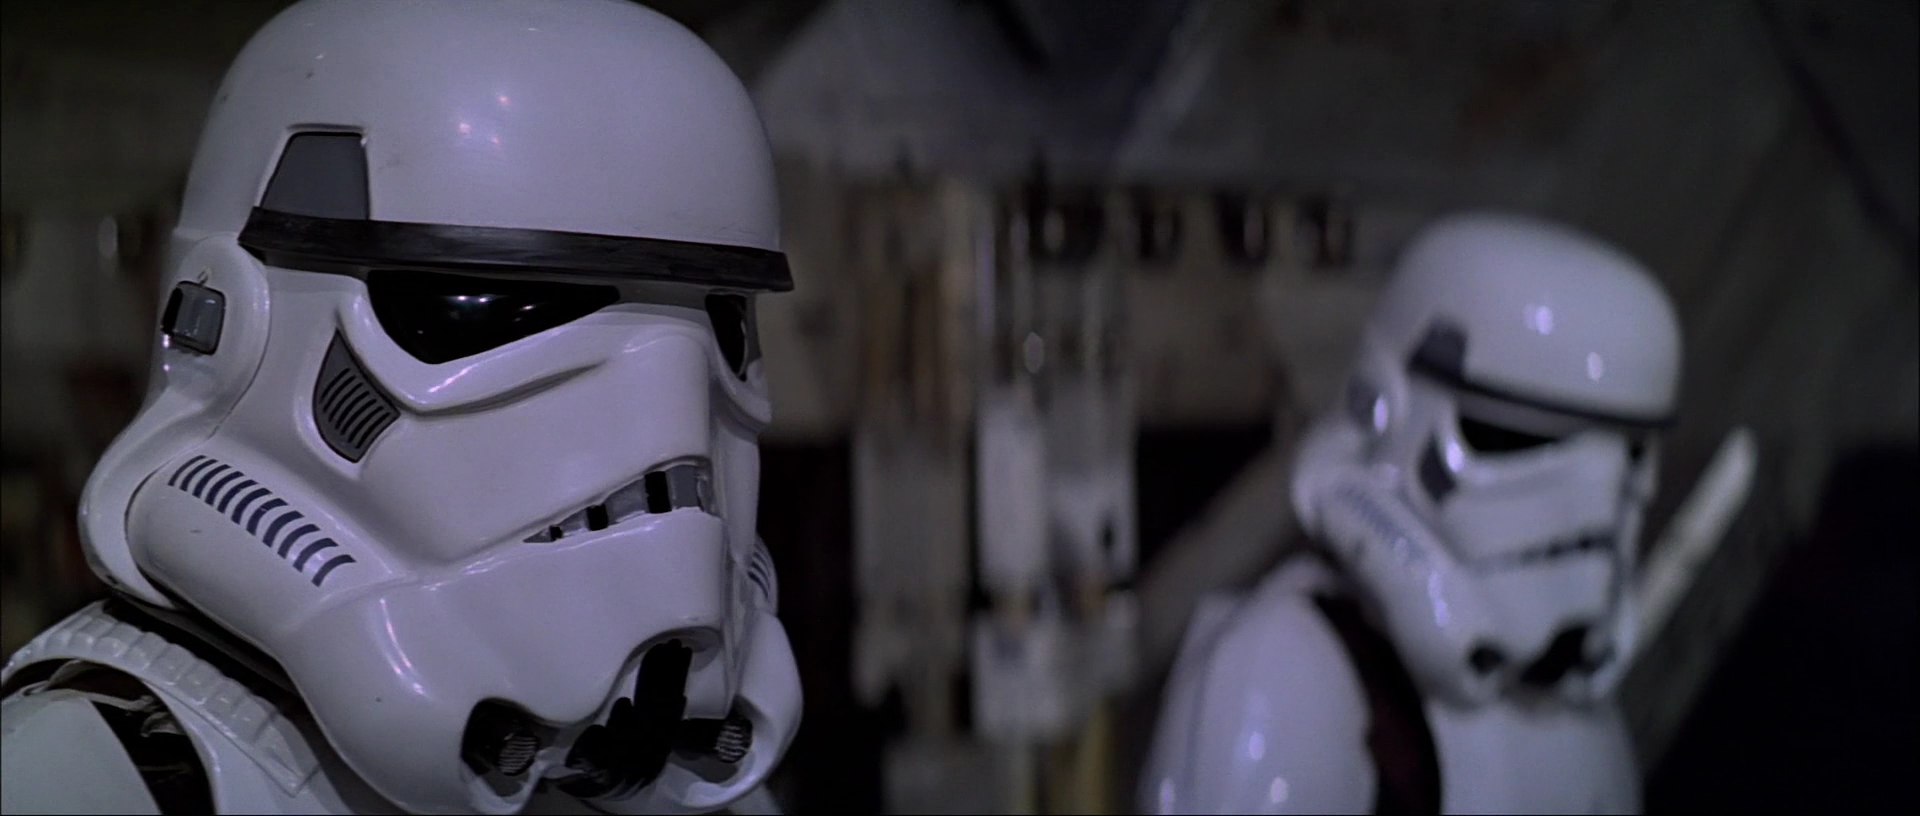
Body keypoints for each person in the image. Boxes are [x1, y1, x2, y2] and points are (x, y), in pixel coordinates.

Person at [0, 2, 801, 813]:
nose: (665, 424)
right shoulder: (82, 779)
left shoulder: (696, 795)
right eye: (498, 307)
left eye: (724, 325)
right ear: (229, 326)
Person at [1142, 213, 1679, 814]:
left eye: (1631, 456)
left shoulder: (1580, 714)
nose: (1590, 511)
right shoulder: (1294, 674)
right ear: (1383, 409)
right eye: (1514, 438)